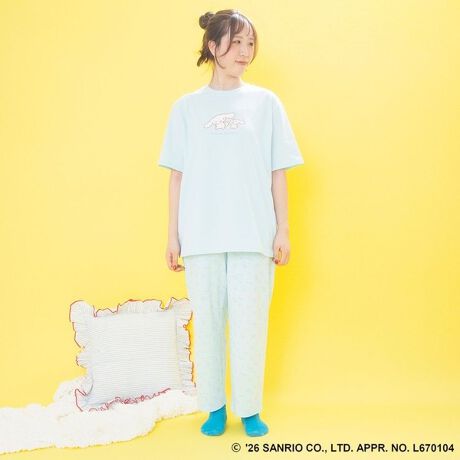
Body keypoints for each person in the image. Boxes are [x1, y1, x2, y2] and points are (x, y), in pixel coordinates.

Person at [157, 9, 304, 437]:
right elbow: (177, 176)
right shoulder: (186, 108)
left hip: (253, 234)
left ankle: (249, 408)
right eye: (236, 42)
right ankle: (214, 408)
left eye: (250, 43)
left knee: (250, 324)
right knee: (207, 324)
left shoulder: (265, 104)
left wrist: (283, 228)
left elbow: (278, 171)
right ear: (213, 46)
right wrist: (172, 235)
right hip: (201, 235)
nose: (245, 52)